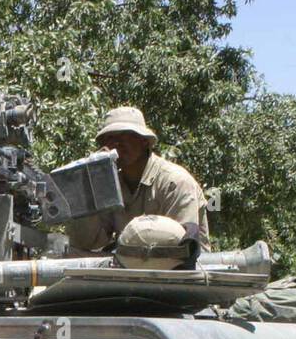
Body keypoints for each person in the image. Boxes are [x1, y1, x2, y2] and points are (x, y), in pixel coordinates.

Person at [65, 106, 211, 255]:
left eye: (125, 135)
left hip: (178, 265)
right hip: (132, 262)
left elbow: (182, 246)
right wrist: (89, 190)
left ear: (144, 142)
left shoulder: (174, 182)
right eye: (109, 138)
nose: (116, 143)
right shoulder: (109, 184)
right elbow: (86, 243)